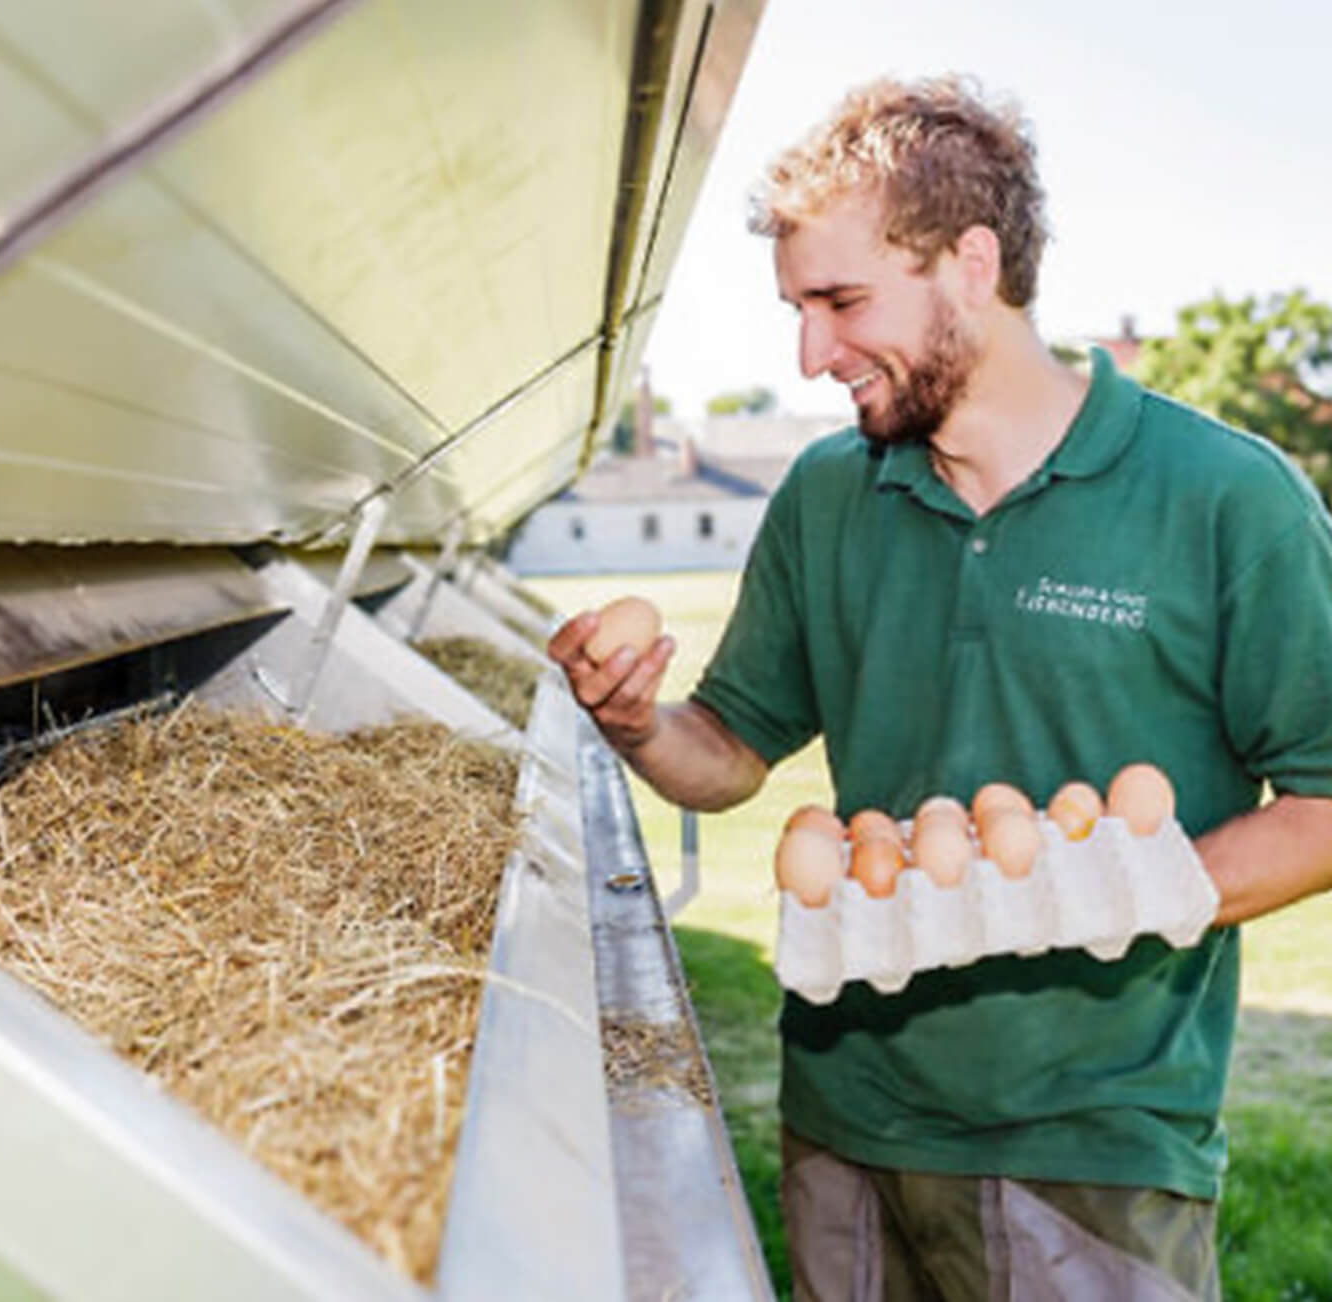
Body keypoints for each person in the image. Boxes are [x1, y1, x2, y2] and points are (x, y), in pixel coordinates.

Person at [549, 75, 1332, 1299]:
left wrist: (1095, 890)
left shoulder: (1225, 497)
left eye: (842, 301)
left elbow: (1325, 804)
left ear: (973, 263)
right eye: (797, 309)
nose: (811, 352)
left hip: (1092, 1147)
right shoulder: (827, 493)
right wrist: (639, 720)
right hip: (846, 1121)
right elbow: (732, 749)